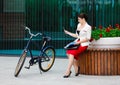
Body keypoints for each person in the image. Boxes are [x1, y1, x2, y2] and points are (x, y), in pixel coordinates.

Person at [63, 13, 91, 78]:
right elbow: (77, 35)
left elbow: (88, 38)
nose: (78, 20)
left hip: (83, 44)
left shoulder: (88, 27)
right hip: (77, 42)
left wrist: (79, 42)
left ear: (83, 19)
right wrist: (68, 33)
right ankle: (76, 68)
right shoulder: (78, 25)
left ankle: (68, 71)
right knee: (68, 53)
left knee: (71, 53)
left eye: (79, 19)